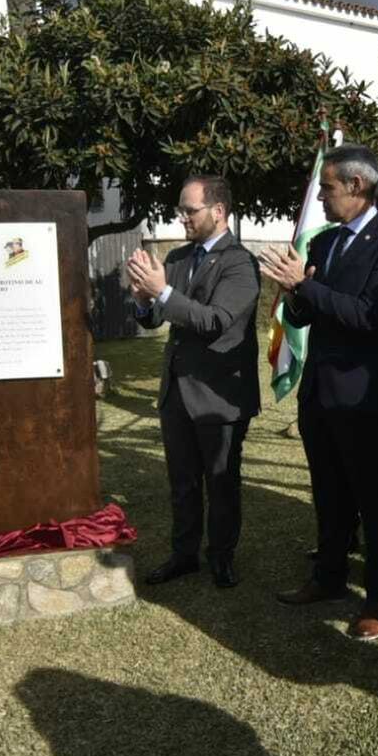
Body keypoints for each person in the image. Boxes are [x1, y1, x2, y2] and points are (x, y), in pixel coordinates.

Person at [259, 145, 378, 641]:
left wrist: (305, 288)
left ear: (356, 186)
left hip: (366, 395)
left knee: (377, 499)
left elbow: (372, 317)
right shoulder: (325, 242)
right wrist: (293, 290)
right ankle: (328, 577)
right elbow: (310, 314)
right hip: (321, 392)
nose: (321, 198)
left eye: (326, 188)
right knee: (329, 493)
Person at [127, 176, 261, 589]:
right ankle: (183, 555)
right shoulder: (179, 257)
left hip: (219, 394)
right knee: (182, 482)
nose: (182, 217)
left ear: (218, 211)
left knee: (221, 483)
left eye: (190, 210)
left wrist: (163, 292)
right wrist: (143, 298)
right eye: (180, 210)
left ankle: (221, 556)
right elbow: (156, 316)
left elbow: (215, 321)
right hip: (177, 392)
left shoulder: (241, 263)